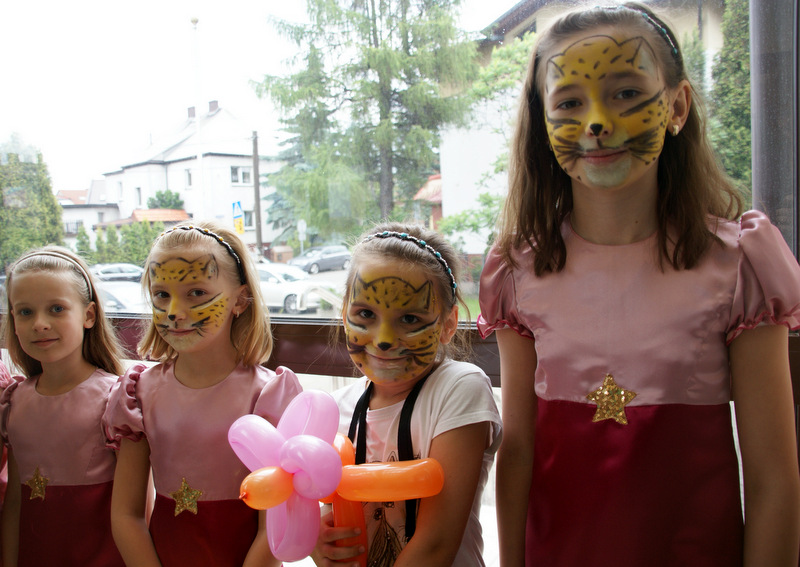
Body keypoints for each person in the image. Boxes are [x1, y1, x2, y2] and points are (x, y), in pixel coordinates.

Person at [478, 3, 800, 566]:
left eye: (626, 93)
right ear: (544, 122)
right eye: (569, 103)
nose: (597, 122)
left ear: (677, 107)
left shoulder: (738, 265)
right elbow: (519, 452)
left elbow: (774, 477)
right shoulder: (519, 269)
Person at [103, 221, 302, 567]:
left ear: (240, 300)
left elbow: (273, 531)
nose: (173, 312)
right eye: (161, 294)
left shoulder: (268, 395)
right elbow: (126, 514)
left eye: (196, 293)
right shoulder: (138, 394)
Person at [314, 223, 502, 567]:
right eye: (365, 314)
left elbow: (436, 545)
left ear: (448, 325)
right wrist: (320, 543)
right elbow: (334, 518)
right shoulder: (336, 411)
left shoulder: (460, 389)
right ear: (344, 314)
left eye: (410, 318)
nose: (384, 339)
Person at [0, 247, 126, 566]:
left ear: (88, 315)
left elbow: (135, 508)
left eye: (56, 309)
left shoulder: (116, 399)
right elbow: (14, 505)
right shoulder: (14, 402)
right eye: (25, 312)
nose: (40, 324)